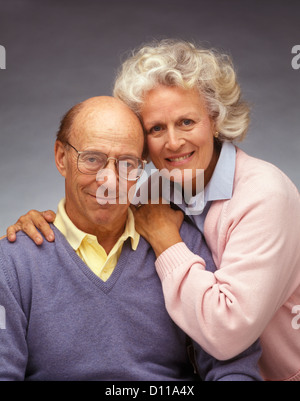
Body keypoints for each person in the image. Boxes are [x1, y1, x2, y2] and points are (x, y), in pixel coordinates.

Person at [5, 39, 300, 381]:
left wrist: (165, 239)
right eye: (156, 129)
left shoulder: (265, 194)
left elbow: (227, 336)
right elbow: (94, 206)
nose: (173, 142)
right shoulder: (151, 190)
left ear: (215, 120)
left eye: (187, 122)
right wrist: (32, 230)